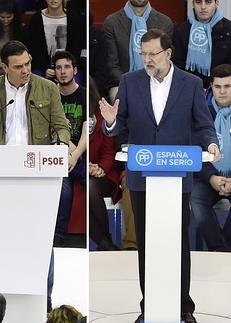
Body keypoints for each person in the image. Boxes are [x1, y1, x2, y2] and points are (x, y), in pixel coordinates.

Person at [99, 29, 220, 323]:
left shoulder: (191, 84)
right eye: (143, 54)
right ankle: (149, 305)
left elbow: (203, 125)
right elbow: (119, 126)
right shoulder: (130, 81)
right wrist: (112, 123)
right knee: (146, 243)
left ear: (168, 53)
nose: (147, 59)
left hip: (178, 176)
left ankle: (184, 307)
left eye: (153, 53)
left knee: (178, 243)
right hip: (142, 177)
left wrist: (211, 143)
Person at [0, 40, 70, 312]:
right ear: (4, 67)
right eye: (19, 66)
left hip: (38, 172)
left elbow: (61, 126)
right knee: (2, 235)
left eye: (28, 64)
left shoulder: (48, 88)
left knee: (41, 236)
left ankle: (43, 299)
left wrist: (62, 145)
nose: (25, 70)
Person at [190, 63, 231, 252]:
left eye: (228, 86)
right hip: (208, 177)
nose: (222, 92)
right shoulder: (200, 112)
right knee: (196, 199)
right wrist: (211, 178)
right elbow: (193, 150)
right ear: (210, 87)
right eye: (218, 86)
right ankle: (220, 250)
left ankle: (225, 246)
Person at [103, 0, 172, 100]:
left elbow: (164, 63)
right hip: (121, 83)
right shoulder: (112, 22)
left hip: (156, 81)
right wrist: (132, 84)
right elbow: (112, 65)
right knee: (120, 97)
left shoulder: (165, 23)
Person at [52, 50, 86, 246]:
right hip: (57, 154)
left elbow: (86, 130)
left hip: (80, 154)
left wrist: (76, 154)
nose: (62, 72)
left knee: (91, 185)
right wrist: (69, 152)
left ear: (74, 70)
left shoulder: (84, 95)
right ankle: (58, 239)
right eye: (58, 68)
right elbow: (51, 127)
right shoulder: (50, 94)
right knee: (63, 189)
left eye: (66, 67)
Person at [88, 76, 121, 251]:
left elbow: (109, 150)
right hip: (76, 171)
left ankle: (104, 242)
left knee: (91, 187)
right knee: (83, 189)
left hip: (104, 174)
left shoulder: (102, 115)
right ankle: (106, 243)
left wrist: (100, 168)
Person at [173, 0, 231, 89]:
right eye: (198, 2)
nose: (203, 7)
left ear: (217, 3)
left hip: (222, 91)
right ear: (193, 3)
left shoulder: (228, 30)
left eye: (208, 2)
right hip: (190, 90)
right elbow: (178, 68)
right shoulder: (181, 32)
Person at [0, 0, 24, 78]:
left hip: (16, 67)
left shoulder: (21, 29)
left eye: (9, 17)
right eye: (2, 17)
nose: (6, 20)